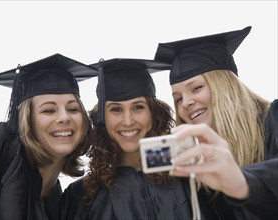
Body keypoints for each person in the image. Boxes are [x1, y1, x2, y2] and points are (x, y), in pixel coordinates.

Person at [59, 58, 255, 220]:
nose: (128, 121)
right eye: (116, 109)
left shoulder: (194, 177)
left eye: (138, 107)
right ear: (101, 118)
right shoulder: (81, 197)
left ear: (154, 113)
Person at [154, 26, 278, 219]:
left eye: (196, 88)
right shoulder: (201, 165)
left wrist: (242, 181)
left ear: (224, 85)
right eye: (178, 99)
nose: (185, 103)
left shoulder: (273, 119)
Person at [0, 53, 97, 220]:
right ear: (27, 119)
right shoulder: (2, 144)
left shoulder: (61, 202)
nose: (64, 117)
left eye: (73, 109)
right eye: (49, 110)